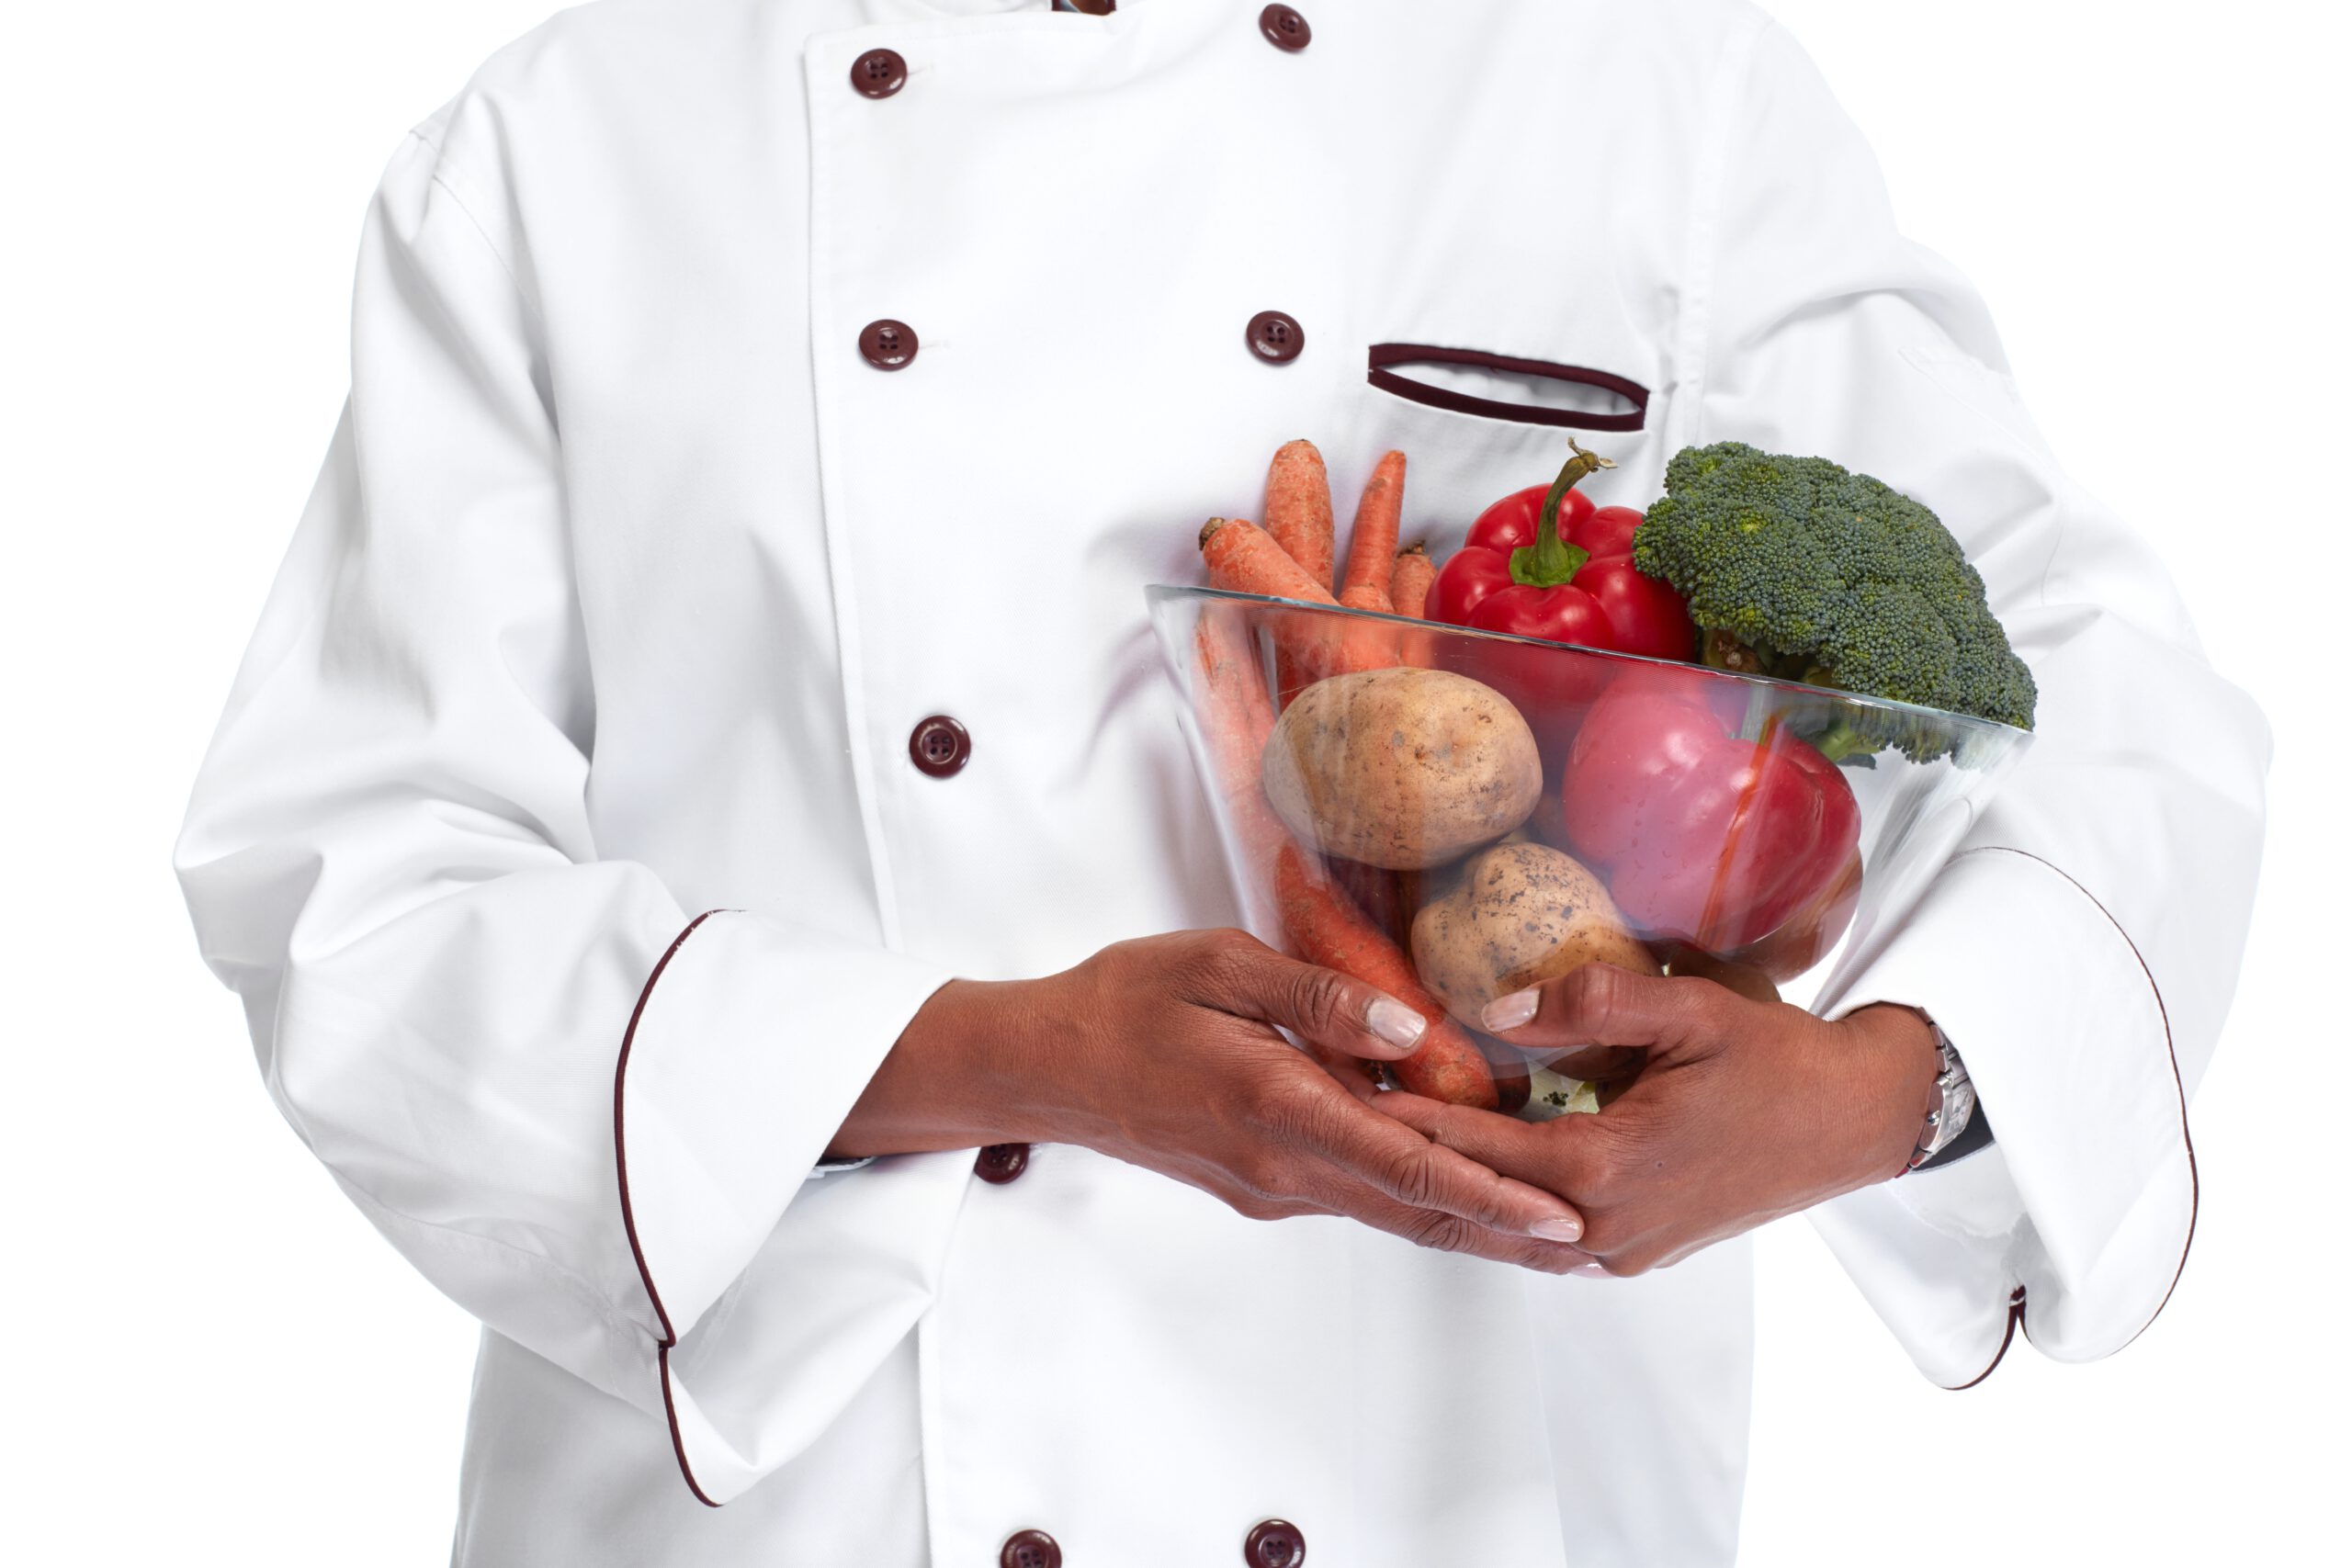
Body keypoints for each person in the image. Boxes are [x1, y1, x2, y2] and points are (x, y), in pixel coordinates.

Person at [174, 1, 2268, 1562]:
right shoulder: (578, 142)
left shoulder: (1638, 81)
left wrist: (1881, 1083)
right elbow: (360, 872)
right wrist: (1010, 1053)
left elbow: (2082, 670)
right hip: (804, 1498)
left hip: (1457, 1470)